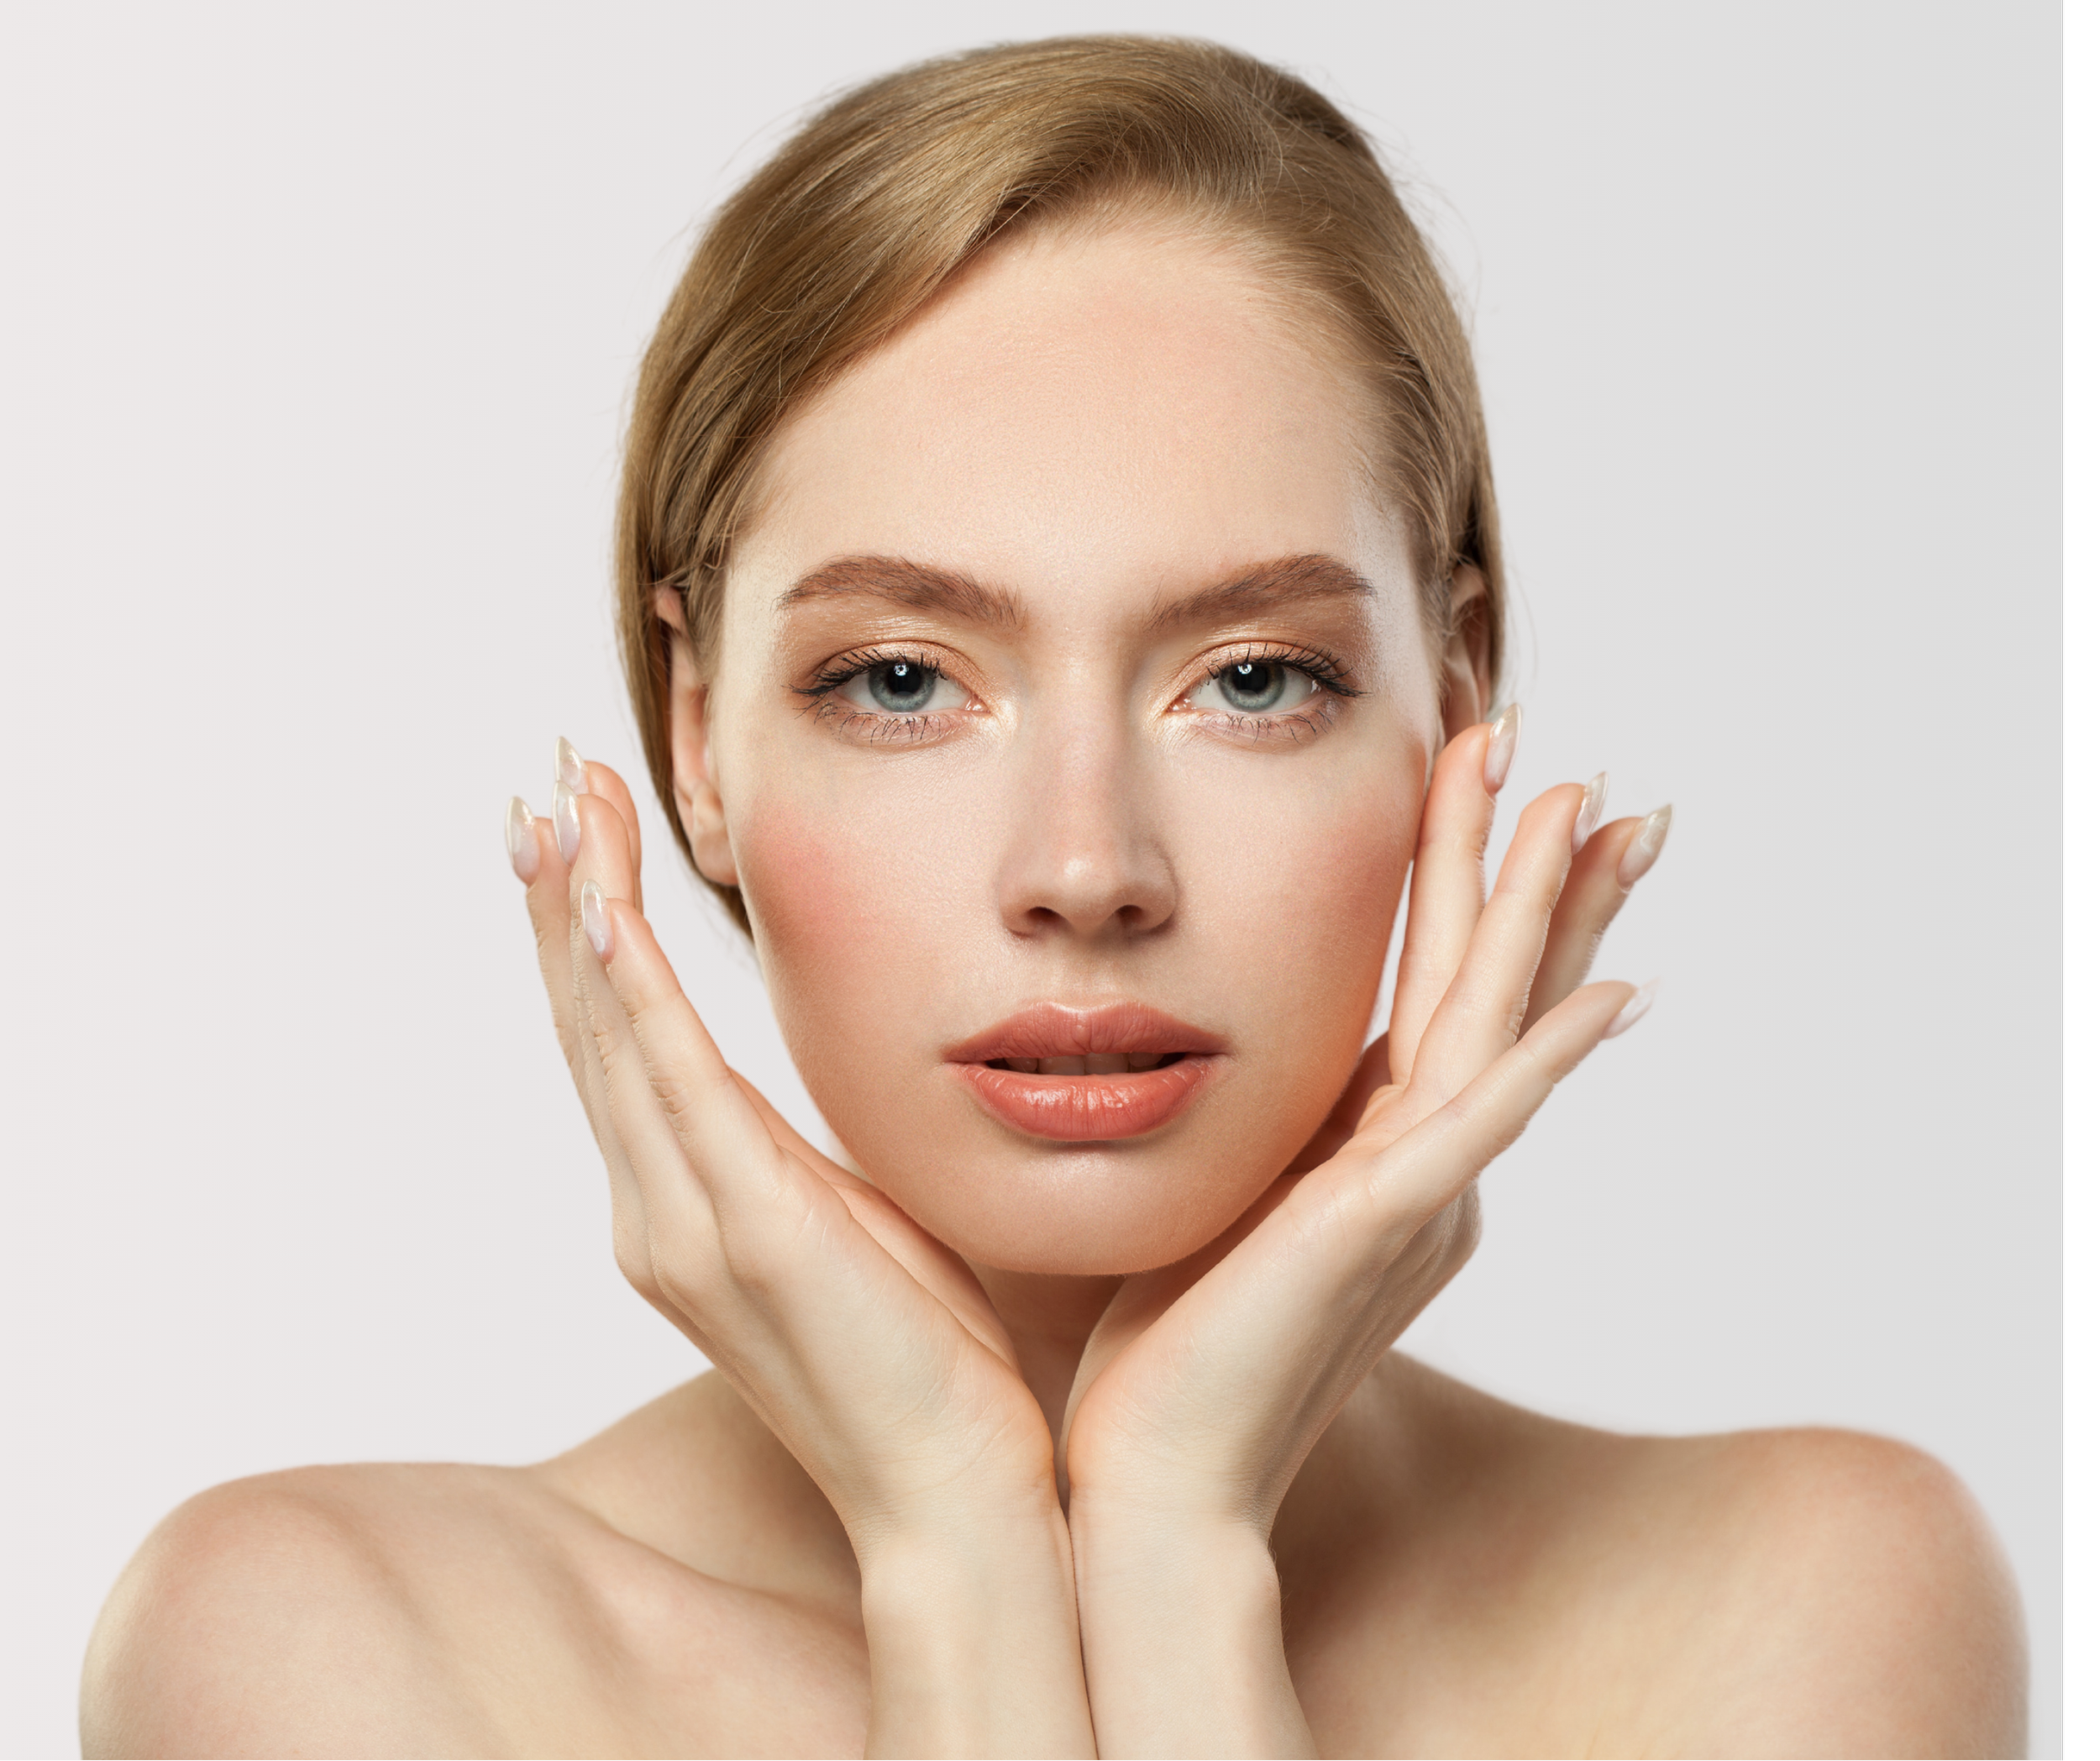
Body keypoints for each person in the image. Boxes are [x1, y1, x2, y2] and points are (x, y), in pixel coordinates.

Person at [80, 35, 2025, 1758]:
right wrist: (954, 1540)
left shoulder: (1808, 1605)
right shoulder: (325, 1649)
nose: (1085, 869)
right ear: (695, 732)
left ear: (1456, 690)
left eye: (1251, 677)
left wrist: (1172, 1549)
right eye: (902, 679)